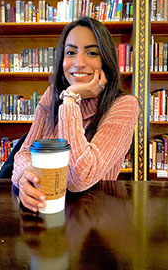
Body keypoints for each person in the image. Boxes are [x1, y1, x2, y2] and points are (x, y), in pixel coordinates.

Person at [12, 17, 139, 212]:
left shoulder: (124, 106)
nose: (79, 63)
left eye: (92, 53)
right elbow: (25, 152)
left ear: (105, 59)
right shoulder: (52, 95)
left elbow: (79, 178)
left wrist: (71, 99)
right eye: (71, 52)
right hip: (44, 210)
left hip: (93, 219)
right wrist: (25, 179)